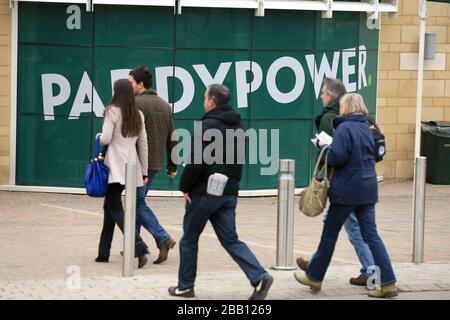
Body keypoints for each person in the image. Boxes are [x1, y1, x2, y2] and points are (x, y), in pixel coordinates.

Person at [168, 84, 273, 299]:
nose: (203, 101)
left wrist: (184, 187)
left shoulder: (206, 126)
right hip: (228, 192)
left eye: (205, 97)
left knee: (189, 239)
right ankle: (259, 276)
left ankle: (185, 286)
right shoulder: (239, 126)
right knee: (231, 240)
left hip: (204, 192)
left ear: (211, 102)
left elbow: (196, 162)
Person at [294, 93, 398, 298]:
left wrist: (324, 147)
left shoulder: (344, 128)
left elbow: (337, 157)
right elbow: (373, 155)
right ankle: (388, 282)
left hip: (347, 190)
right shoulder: (368, 127)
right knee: (372, 236)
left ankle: (314, 276)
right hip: (367, 189)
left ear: (346, 107)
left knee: (329, 235)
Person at [296, 78, 376, 287]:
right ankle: (315, 265)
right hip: (359, 184)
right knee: (347, 228)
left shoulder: (332, 120)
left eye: (323, 93)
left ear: (331, 96)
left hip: (343, 184)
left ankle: (369, 270)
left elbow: (336, 155)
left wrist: (323, 152)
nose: (321, 96)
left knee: (349, 230)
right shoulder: (363, 124)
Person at [95, 79, 149, 269]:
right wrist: (144, 170)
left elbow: (106, 138)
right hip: (131, 165)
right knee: (109, 208)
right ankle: (103, 253)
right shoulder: (138, 114)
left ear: (116, 92)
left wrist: (98, 137)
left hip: (115, 165)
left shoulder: (112, 111)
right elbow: (142, 143)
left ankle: (140, 246)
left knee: (115, 208)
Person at [128, 66, 177, 264]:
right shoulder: (165, 105)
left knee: (136, 203)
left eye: (131, 81)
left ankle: (162, 238)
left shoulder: (136, 103)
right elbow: (173, 137)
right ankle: (136, 245)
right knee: (136, 203)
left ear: (140, 84)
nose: (128, 85)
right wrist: (172, 166)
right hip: (155, 163)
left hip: (139, 163)